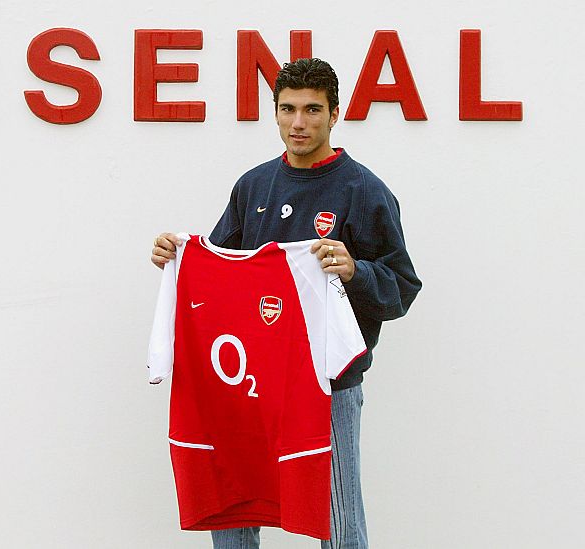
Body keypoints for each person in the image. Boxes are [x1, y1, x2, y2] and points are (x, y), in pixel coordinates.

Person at [150, 58, 422, 549]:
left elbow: (402, 287)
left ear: (335, 114)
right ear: (275, 113)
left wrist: (356, 269)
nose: (299, 123)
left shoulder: (363, 190)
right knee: (235, 499)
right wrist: (176, 260)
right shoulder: (253, 186)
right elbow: (221, 269)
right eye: (288, 109)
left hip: (328, 382)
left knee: (336, 514)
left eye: (313, 110)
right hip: (250, 381)